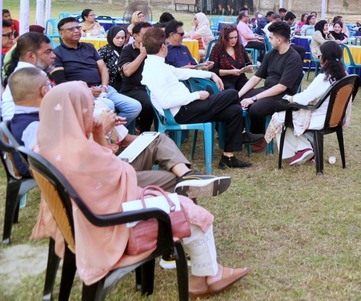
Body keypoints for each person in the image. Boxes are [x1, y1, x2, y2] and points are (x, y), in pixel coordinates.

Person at [30, 82, 248, 297]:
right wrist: (101, 133)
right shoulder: (84, 151)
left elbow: (105, 174)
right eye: (88, 107)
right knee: (192, 212)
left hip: (91, 214)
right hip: (110, 224)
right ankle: (205, 276)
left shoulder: (48, 144)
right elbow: (121, 173)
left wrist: (96, 133)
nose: (93, 110)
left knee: (180, 194)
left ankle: (207, 274)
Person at [9, 67, 230, 198]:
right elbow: (70, 170)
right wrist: (101, 132)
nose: (52, 88)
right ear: (44, 91)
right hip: (99, 182)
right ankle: (175, 246)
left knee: (155, 138)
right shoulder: (33, 127)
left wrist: (103, 130)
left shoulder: (43, 116)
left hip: (105, 168)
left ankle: (188, 175)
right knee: (174, 182)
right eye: (49, 85)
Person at [141, 28, 260, 169]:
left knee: (234, 110)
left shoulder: (157, 64)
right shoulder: (155, 70)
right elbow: (165, 102)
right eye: (166, 44)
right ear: (163, 47)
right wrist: (196, 95)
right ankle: (242, 134)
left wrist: (211, 75)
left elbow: (181, 72)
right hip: (181, 113)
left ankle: (228, 156)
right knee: (232, 94)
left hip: (187, 107)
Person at [265, 41, 350, 166]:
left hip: (320, 118)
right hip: (336, 118)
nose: (319, 57)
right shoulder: (345, 76)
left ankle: (304, 148)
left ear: (325, 58)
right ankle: (304, 148)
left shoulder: (323, 78)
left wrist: (291, 98)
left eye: (320, 55)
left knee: (279, 116)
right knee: (287, 114)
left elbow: (304, 98)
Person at [52, 17, 142, 127]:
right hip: (80, 93)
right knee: (108, 105)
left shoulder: (89, 47)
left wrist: (104, 87)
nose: (76, 31)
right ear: (61, 33)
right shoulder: (57, 53)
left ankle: (113, 133)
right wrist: (86, 91)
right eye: (71, 29)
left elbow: (103, 68)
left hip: (102, 88)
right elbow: (61, 83)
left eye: (78, 28)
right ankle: (108, 134)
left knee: (134, 106)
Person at [238, 21, 304, 136]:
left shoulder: (293, 58)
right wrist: (238, 95)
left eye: (271, 38)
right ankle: (242, 131)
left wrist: (254, 98)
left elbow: (281, 87)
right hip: (268, 89)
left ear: (279, 40)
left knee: (255, 108)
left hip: (284, 96)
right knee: (240, 99)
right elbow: (255, 78)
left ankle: (258, 137)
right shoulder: (271, 54)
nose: (269, 40)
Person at [2, 32, 55, 121]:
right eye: (48, 52)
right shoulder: (25, 77)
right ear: (31, 56)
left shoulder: (33, 72)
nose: (53, 55)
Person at [118, 22, 157, 133]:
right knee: (148, 104)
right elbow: (127, 72)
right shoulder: (128, 50)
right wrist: (142, 55)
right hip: (133, 88)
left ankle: (166, 129)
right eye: (146, 34)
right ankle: (144, 132)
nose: (150, 37)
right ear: (135, 36)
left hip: (152, 86)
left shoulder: (155, 50)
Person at [209, 26, 253, 91]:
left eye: (236, 37)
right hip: (223, 79)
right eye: (231, 38)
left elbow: (248, 62)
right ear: (224, 38)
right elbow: (213, 70)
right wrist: (230, 72)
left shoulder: (240, 47)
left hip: (240, 78)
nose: (234, 40)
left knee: (249, 90)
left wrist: (249, 68)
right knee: (232, 92)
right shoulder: (217, 49)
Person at [98, 26, 127, 90]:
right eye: (117, 38)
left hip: (124, 84)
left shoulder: (125, 51)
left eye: (123, 38)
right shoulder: (104, 51)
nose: (120, 40)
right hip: (108, 85)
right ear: (111, 37)